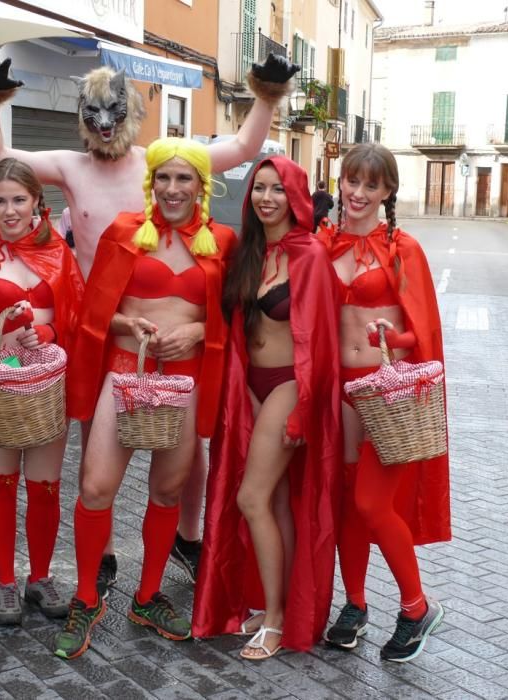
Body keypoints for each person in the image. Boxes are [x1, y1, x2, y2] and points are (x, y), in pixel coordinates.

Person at [0, 53, 300, 592]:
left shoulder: (162, 164)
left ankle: (187, 539)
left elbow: (242, 149)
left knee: (186, 447)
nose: (104, 122)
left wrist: (266, 96)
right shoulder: (71, 168)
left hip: (171, 329)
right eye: (93, 112)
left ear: (132, 114)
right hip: (102, 327)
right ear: (82, 115)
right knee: (93, 444)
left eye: (113, 111)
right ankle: (100, 556)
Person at [54, 138, 236, 660]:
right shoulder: (125, 232)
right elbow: (94, 312)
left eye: (185, 179)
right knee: (95, 485)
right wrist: (125, 323)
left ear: (203, 186)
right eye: (164, 177)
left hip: (189, 378)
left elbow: (233, 316)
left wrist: (200, 331)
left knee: (170, 488)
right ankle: (87, 597)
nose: (173, 189)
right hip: (124, 372)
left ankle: (148, 595)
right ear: (150, 181)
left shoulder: (222, 241)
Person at [192, 156, 341, 659]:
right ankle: (280, 607)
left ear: (295, 196)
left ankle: (277, 621)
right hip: (249, 385)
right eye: (259, 188)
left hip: (289, 386)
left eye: (278, 189)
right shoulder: (249, 251)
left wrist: (303, 411)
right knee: (275, 503)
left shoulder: (310, 256)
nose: (267, 198)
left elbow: (319, 342)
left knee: (251, 499)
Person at [317, 143, 450, 663]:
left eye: (371, 185)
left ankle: (417, 607)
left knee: (373, 502)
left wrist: (392, 338)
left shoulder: (403, 249)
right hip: (340, 390)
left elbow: (423, 333)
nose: (358, 193)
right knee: (350, 500)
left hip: (386, 393)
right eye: (352, 181)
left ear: (387, 192)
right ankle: (354, 605)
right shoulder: (322, 243)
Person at [0, 158, 84, 626]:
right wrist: (11, 323)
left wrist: (47, 335)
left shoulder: (59, 252)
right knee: (1, 479)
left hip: (48, 376)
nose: (9, 211)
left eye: (18, 200)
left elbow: (73, 317)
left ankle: (41, 577)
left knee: (46, 484)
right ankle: (6, 582)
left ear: (36, 202)